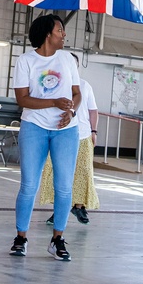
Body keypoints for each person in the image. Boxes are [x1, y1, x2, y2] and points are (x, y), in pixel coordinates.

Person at [10, 14, 81, 261]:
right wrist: (53, 101)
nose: (64, 34)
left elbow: (76, 93)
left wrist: (71, 112)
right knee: (29, 184)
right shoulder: (26, 61)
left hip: (65, 131)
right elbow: (22, 99)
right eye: (60, 30)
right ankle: (21, 238)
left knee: (64, 187)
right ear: (47, 34)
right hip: (34, 127)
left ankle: (57, 239)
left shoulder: (67, 60)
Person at [40, 53, 99, 225]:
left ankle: (79, 206)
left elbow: (93, 110)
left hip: (83, 135)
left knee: (83, 171)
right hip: (59, 134)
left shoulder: (85, 86)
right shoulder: (54, 85)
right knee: (57, 173)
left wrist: (94, 131)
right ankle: (59, 211)